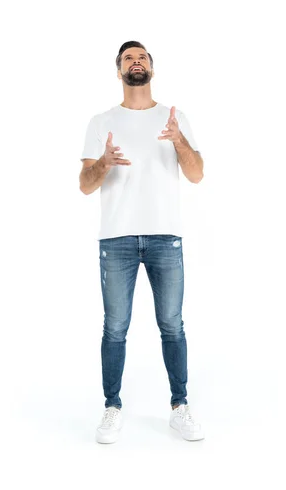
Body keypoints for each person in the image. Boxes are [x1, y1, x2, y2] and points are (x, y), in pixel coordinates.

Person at [79, 41, 205, 443]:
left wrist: (178, 140)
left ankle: (179, 406)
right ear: (119, 71)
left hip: (165, 235)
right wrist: (104, 162)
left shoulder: (175, 116)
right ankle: (111, 407)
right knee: (115, 327)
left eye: (143, 57)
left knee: (172, 324)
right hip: (116, 238)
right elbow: (84, 185)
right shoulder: (101, 121)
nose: (137, 61)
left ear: (151, 68)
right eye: (129, 58)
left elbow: (198, 174)